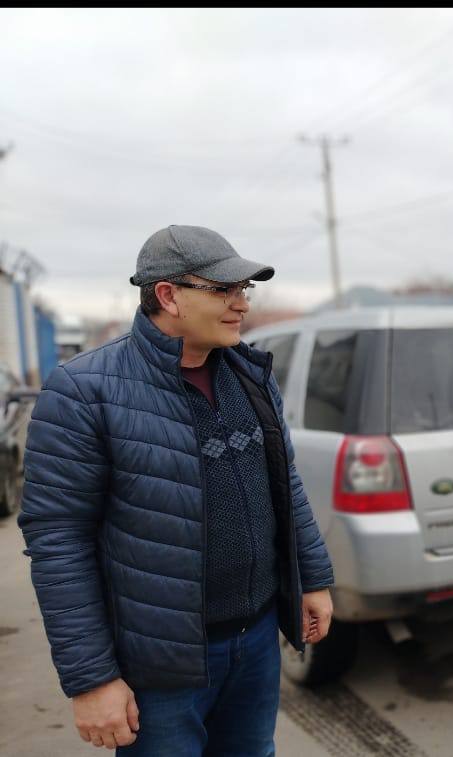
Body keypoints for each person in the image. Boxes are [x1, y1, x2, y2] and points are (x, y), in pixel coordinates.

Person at [18, 225, 335, 755]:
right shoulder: (84, 391)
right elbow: (58, 543)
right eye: (224, 290)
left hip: (256, 641)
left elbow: (285, 485)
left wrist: (314, 578)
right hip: (160, 666)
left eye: (244, 291)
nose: (241, 305)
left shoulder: (249, 373)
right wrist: (92, 679)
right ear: (167, 295)